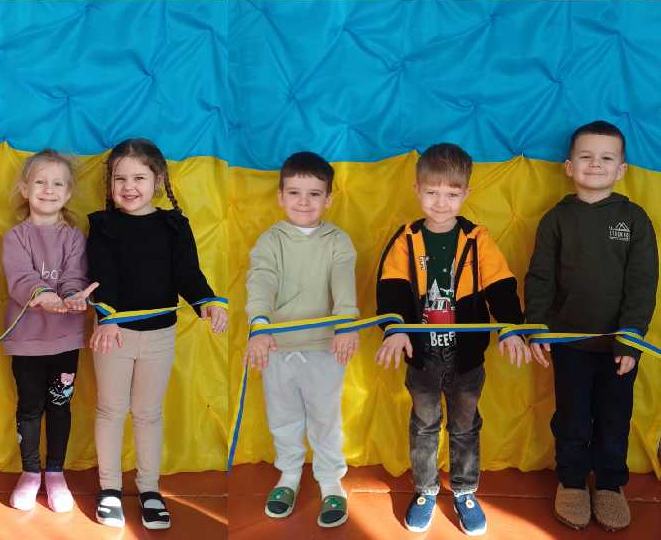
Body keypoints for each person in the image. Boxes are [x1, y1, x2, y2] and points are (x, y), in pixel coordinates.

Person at [375, 143, 529, 536]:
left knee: (465, 427)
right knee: (424, 427)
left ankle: (464, 491)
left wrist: (511, 326)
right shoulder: (406, 239)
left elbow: (501, 286)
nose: (441, 203)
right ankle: (426, 490)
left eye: (451, 193)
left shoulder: (477, 239)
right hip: (423, 360)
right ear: (416, 190)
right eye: (432, 192)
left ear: (466, 194)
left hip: (466, 361)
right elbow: (390, 290)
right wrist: (395, 329)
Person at [524, 121, 658, 531]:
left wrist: (630, 339)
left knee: (615, 417)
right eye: (586, 156)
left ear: (621, 169)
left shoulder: (634, 219)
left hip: (620, 348)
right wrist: (536, 328)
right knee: (572, 417)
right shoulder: (555, 220)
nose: (595, 164)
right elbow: (540, 279)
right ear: (569, 167)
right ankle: (571, 481)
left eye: (606, 158)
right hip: (569, 346)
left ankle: (611, 485)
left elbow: (643, 284)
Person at [87, 138, 226, 528]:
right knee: (110, 410)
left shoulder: (174, 226)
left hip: (160, 336)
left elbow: (188, 274)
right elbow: (101, 274)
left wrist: (207, 302)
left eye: (139, 178)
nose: (128, 186)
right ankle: (109, 489)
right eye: (120, 178)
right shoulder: (102, 225)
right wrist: (107, 318)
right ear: (110, 183)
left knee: (148, 413)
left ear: (158, 179)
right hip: (113, 334)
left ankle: (149, 489)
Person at [244, 151, 359, 529]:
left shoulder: (338, 241)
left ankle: (330, 481)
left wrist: (346, 325)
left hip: (324, 348)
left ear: (328, 199)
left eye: (314, 194)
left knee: (326, 418)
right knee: (284, 417)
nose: (304, 202)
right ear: (280, 196)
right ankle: (290, 475)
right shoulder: (270, 240)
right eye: (294, 192)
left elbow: (343, 285)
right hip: (277, 348)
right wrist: (259, 325)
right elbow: (261, 281)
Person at [2, 150, 95, 513]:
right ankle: (30, 472)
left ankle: (55, 473)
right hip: (26, 341)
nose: (48, 189)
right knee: (29, 407)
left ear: (68, 193)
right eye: (40, 182)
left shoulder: (74, 238)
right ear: (25, 189)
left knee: (59, 405)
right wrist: (43, 295)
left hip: (64, 340)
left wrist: (71, 297)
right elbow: (20, 278)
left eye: (57, 183)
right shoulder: (15, 236)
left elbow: (74, 276)